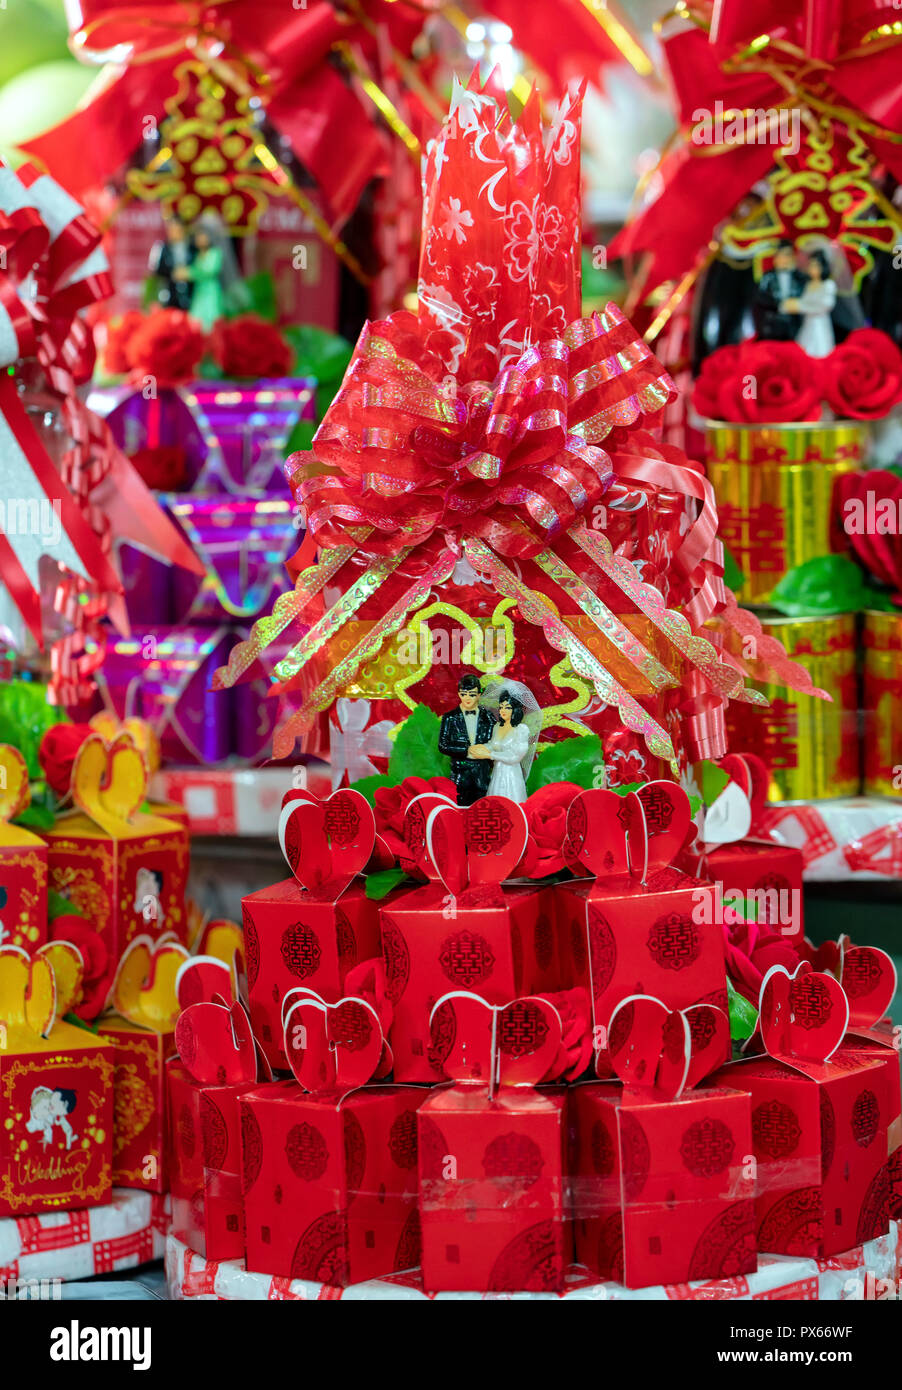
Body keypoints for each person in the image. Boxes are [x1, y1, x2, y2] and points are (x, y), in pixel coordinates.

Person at [467, 680, 542, 805]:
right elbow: (493, 745)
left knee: (511, 803)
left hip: (511, 775)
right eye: (501, 707)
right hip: (497, 773)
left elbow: (515, 756)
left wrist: (489, 755)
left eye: (507, 707)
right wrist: (479, 748)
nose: (503, 710)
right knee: (495, 803)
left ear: (515, 710)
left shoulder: (521, 730)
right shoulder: (497, 726)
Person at [437, 673, 495, 806]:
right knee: (459, 808)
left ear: (479, 695)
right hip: (460, 774)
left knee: (482, 808)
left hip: (482, 773)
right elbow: (443, 744)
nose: (467, 698)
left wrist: (487, 750)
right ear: (458, 694)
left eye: (472, 694)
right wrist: (467, 750)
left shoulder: (488, 717)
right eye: (463, 694)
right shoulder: (450, 717)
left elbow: (496, 739)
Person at [784, 249, 837, 358]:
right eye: (811, 265)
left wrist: (800, 306)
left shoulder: (828, 284)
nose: (812, 269)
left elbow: (825, 305)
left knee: (820, 350)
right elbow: (804, 300)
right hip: (807, 323)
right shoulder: (809, 284)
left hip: (820, 324)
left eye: (816, 266)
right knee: (804, 350)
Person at [753, 240, 806, 340]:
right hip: (772, 324)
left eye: (789, 255)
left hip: (794, 325)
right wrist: (778, 304)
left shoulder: (799, 277)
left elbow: (805, 295)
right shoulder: (767, 277)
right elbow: (760, 297)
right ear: (775, 258)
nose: (786, 259)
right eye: (782, 255)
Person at [149, 218, 195, 311]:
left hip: (190, 297)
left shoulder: (192, 248)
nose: (174, 233)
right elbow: (155, 269)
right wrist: (173, 272)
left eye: (177, 229)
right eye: (171, 229)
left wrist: (188, 273)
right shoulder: (161, 247)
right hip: (168, 295)